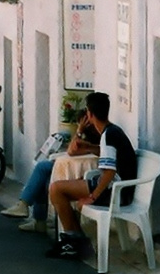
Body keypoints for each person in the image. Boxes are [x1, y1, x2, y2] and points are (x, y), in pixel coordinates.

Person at [46, 92, 137, 260]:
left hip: (117, 193)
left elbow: (110, 171)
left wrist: (92, 197)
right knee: (64, 187)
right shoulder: (112, 131)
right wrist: (89, 147)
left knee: (56, 189)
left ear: (89, 114)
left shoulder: (108, 136)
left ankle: (74, 241)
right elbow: (108, 155)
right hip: (118, 188)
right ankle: (77, 240)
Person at [2, 117, 99, 230]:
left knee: (42, 171)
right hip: (75, 170)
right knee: (43, 175)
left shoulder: (93, 140)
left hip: (81, 175)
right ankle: (31, 213)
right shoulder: (91, 139)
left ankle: (28, 209)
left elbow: (71, 151)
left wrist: (79, 131)